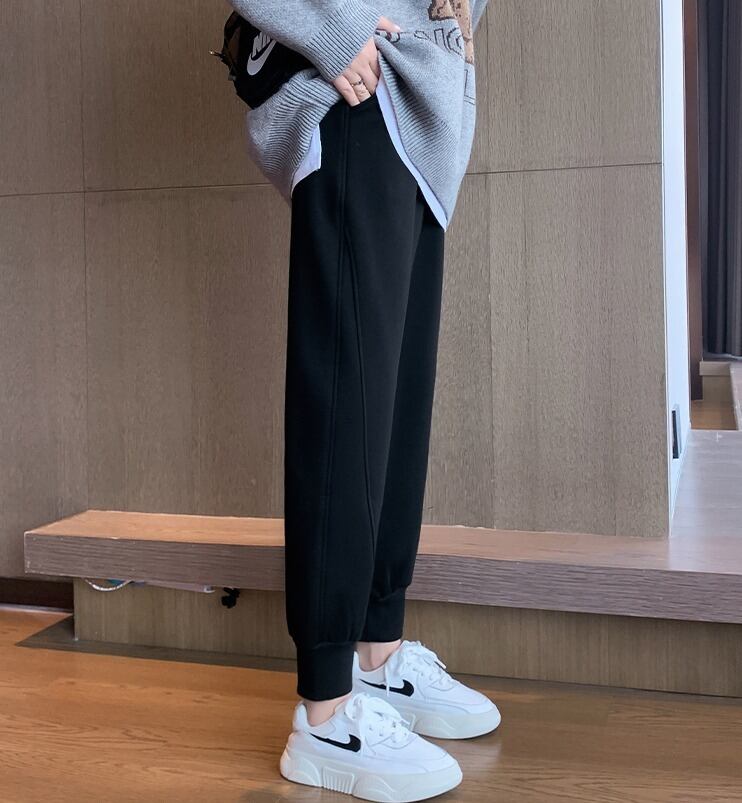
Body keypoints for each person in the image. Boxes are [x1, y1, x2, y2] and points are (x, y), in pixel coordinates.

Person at [228, 2, 499, 800]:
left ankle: (377, 656)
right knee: (346, 401)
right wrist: (330, 27)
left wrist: (462, 38)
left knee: (397, 403)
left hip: (423, 98)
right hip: (359, 87)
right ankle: (324, 710)